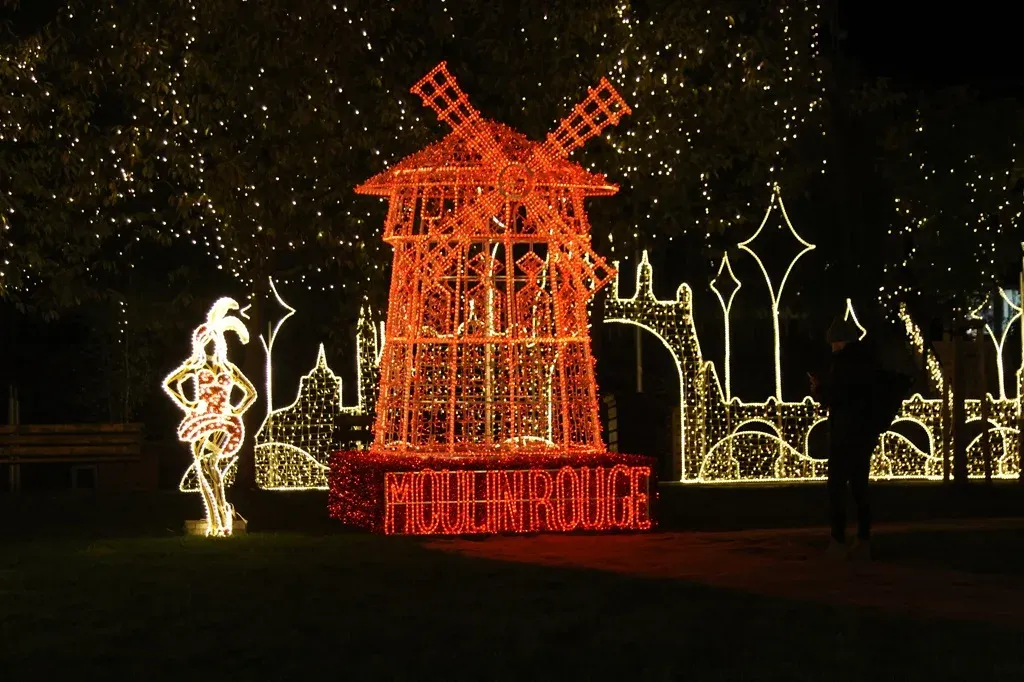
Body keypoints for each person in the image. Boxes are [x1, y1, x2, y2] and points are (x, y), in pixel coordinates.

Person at [164, 298, 257, 536]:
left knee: (209, 463)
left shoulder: (229, 369)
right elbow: (171, 383)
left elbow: (251, 393)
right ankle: (218, 520)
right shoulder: (196, 366)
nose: (209, 346)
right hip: (201, 420)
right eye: (205, 342)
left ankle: (221, 519)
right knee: (204, 468)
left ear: (219, 344)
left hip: (223, 423)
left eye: (213, 341)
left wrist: (236, 410)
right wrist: (188, 403)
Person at [809, 316, 881, 561]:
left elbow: (837, 396)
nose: (832, 347)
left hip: (844, 434)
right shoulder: (868, 362)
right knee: (860, 488)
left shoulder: (843, 363)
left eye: (833, 343)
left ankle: (838, 540)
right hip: (864, 433)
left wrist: (819, 390)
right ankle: (863, 540)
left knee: (837, 488)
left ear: (840, 341)